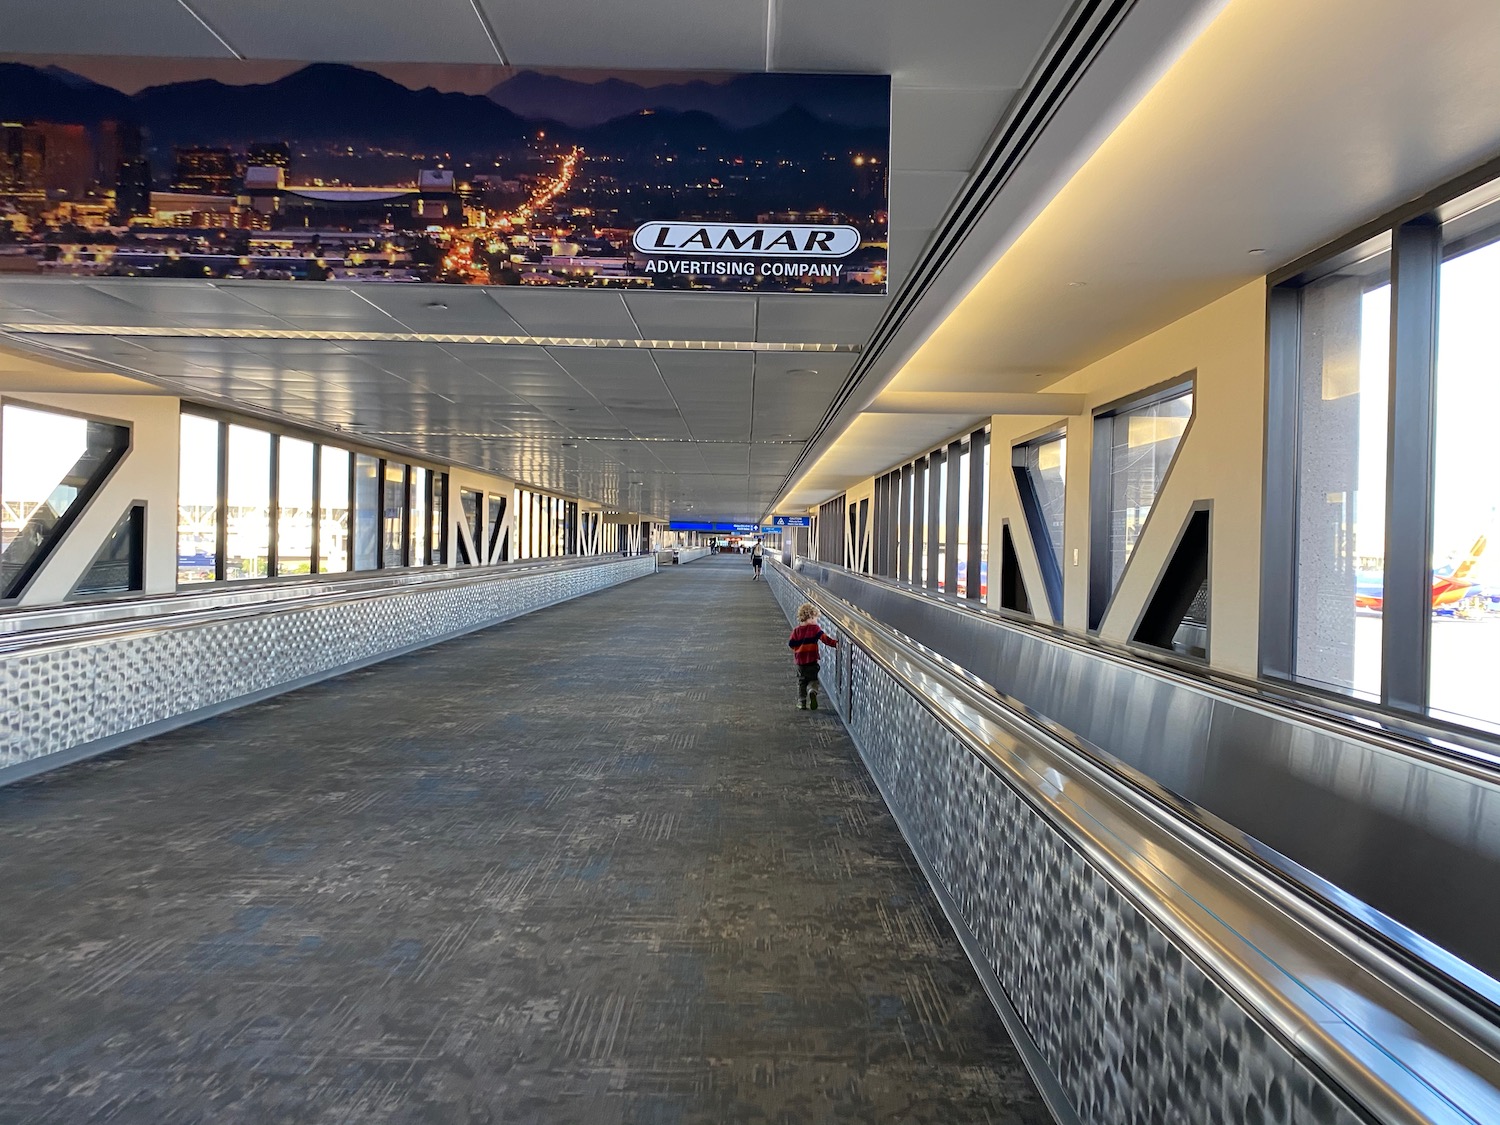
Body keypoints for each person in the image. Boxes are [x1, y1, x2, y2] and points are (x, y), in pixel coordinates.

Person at [788, 601, 837, 710]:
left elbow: (791, 644)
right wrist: (835, 644)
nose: (816, 621)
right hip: (812, 660)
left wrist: (799, 649)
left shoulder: (796, 631)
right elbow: (825, 639)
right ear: (809, 618)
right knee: (813, 679)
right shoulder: (815, 629)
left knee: (801, 681)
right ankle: (812, 691)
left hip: (800, 662)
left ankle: (802, 702)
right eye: (815, 618)